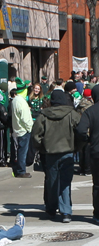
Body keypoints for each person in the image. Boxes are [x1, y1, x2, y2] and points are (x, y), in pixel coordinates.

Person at [32, 90, 80, 223]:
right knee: (65, 182)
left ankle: (51, 208)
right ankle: (66, 211)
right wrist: (77, 147)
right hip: (68, 151)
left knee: (52, 181)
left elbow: (36, 135)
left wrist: (42, 147)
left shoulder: (44, 115)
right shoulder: (72, 114)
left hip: (50, 152)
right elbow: (81, 131)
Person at [75, 84, 99, 224]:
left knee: (97, 185)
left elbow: (80, 130)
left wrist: (87, 140)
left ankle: (97, 214)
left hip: (96, 152)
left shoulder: (90, 111)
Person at [11, 77, 33, 178]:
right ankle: (21, 170)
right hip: (23, 130)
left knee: (20, 150)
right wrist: (30, 128)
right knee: (22, 151)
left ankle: (20, 169)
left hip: (18, 129)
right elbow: (25, 118)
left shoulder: (15, 100)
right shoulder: (21, 102)